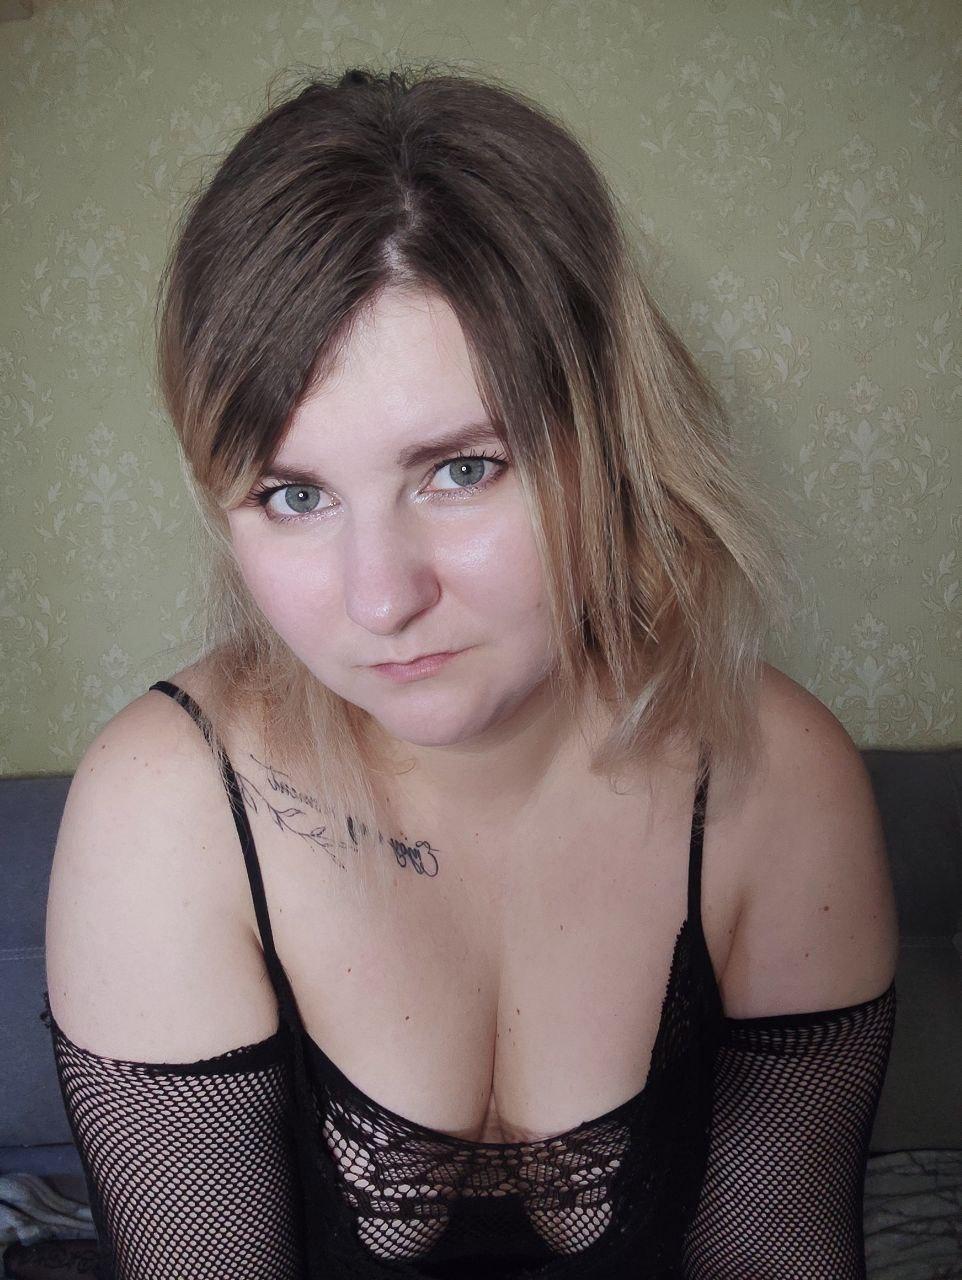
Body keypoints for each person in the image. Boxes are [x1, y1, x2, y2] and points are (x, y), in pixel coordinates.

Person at [43, 62, 899, 1279]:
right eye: (292, 495)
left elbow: (777, 1245)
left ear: (608, 438)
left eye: (460, 470)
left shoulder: (771, 776)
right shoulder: (169, 806)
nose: (380, 597)